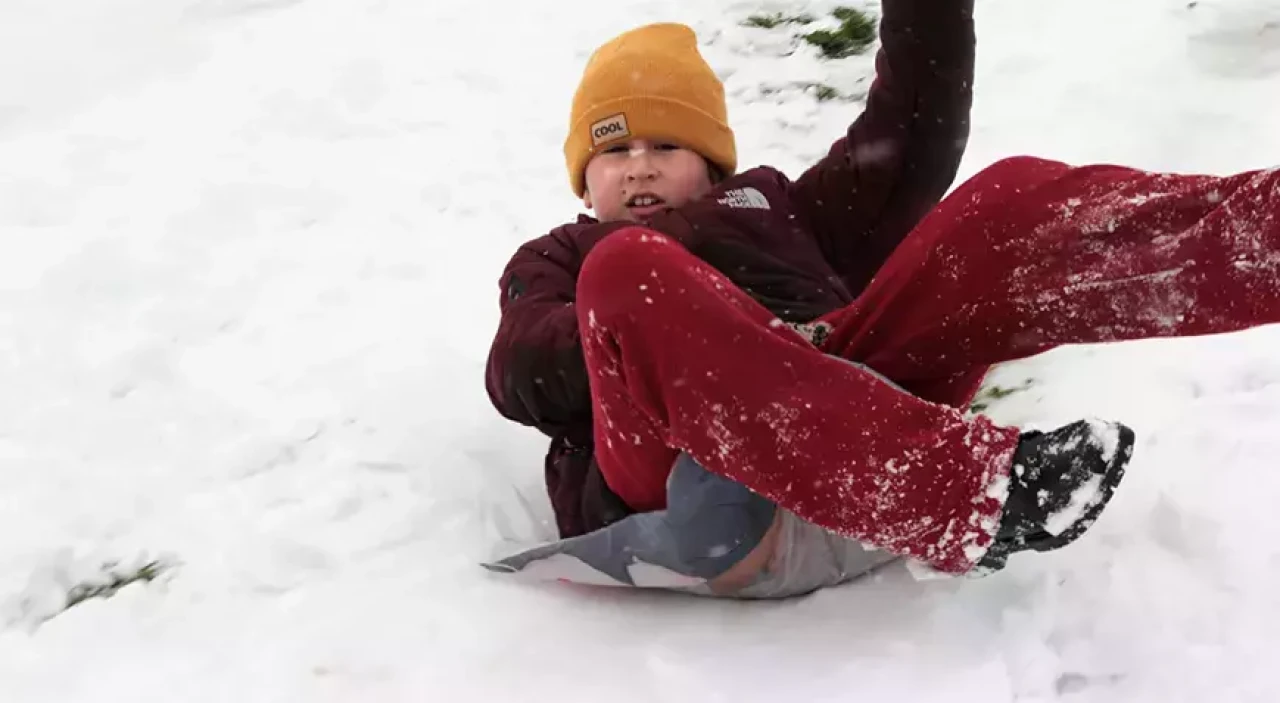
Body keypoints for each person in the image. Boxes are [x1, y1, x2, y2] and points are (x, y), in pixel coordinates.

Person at [484, 0, 1280, 590]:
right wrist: (728, 345)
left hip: (856, 426)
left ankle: (1262, 239)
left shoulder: (780, 208)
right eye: (614, 147)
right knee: (628, 276)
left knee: (1001, 202)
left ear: (716, 166)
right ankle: (972, 493)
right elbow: (518, 369)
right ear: (582, 177)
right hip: (695, 498)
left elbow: (912, 134)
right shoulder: (567, 255)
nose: (641, 166)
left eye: (667, 144)